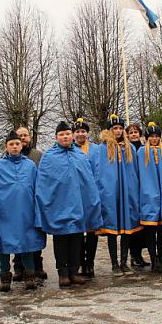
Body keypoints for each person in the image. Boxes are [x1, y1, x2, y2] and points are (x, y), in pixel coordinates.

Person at [35, 121, 103, 288]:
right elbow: (44, 183)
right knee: (61, 240)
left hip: (78, 206)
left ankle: (74, 271)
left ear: (71, 136)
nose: (65, 137)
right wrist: (47, 204)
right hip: (59, 206)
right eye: (61, 134)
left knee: (76, 239)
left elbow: (88, 181)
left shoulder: (80, 155)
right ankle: (63, 273)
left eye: (67, 134)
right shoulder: (49, 156)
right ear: (56, 137)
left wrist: (91, 202)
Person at [0, 130, 46, 292]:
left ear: (22, 145)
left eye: (17, 144)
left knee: (27, 243)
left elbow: (37, 187)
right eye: (11, 144)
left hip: (26, 211)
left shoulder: (30, 165)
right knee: (5, 247)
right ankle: (5, 276)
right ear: (6, 146)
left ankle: (30, 276)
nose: (15, 147)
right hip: (5, 213)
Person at [95, 114, 142, 276]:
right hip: (110, 193)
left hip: (127, 192)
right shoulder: (102, 148)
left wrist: (134, 190)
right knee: (113, 229)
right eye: (115, 128)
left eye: (121, 128)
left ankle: (124, 261)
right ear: (109, 130)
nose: (118, 131)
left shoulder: (129, 148)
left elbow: (135, 172)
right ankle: (114, 263)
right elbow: (100, 172)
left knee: (127, 228)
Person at [137, 122, 162, 273]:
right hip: (148, 196)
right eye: (151, 137)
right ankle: (153, 259)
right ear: (147, 138)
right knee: (149, 230)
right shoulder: (141, 152)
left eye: (156, 136)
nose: (154, 139)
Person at [13, 126, 47, 281]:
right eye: (19, 136)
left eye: (25, 135)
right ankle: (19, 267)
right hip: (18, 204)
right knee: (18, 234)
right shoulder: (9, 156)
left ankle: (37, 265)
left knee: (36, 234)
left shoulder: (37, 155)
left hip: (35, 200)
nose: (22, 138)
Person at [72, 118, 99, 277]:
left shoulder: (95, 150)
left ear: (87, 133)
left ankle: (90, 262)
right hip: (76, 196)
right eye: (77, 132)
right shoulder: (71, 150)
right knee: (77, 231)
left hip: (92, 195)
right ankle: (80, 261)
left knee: (91, 231)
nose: (81, 134)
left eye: (83, 131)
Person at [126, 122, 151, 269]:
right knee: (133, 226)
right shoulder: (126, 150)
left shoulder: (143, 149)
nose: (134, 134)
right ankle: (133, 255)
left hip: (144, 189)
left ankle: (140, 254)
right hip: (132, 191)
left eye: (136, 132)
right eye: (131, 132)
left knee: (144, 227)